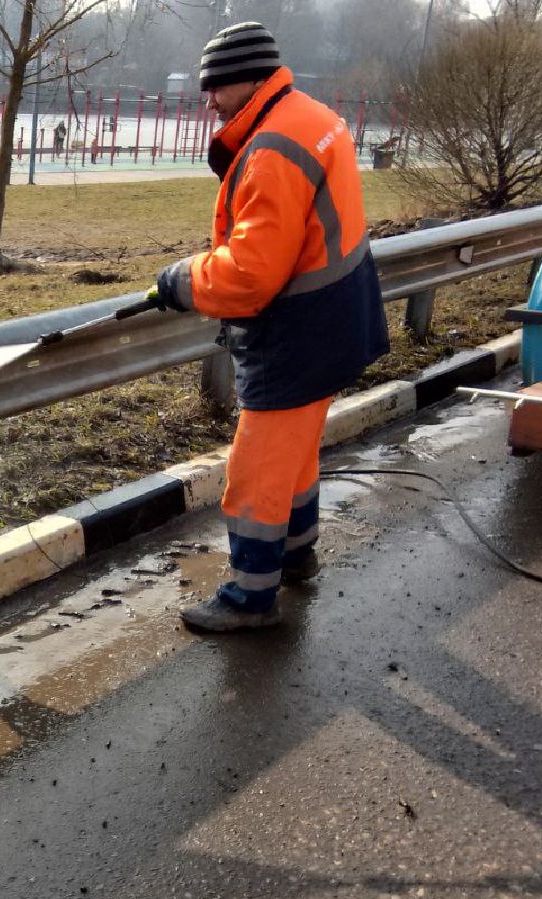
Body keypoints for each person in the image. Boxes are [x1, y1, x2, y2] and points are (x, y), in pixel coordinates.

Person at [151, 21, 388, 632]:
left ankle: (250, 597)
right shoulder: (307, 115)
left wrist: (183, 279)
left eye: (216, 88)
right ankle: (296, 556)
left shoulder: (273, 148)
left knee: (256, 470)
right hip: (335, 314)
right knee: (295, 455)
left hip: (299, 329)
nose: (209, 100)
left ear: (249, 80)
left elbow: (251, 276)